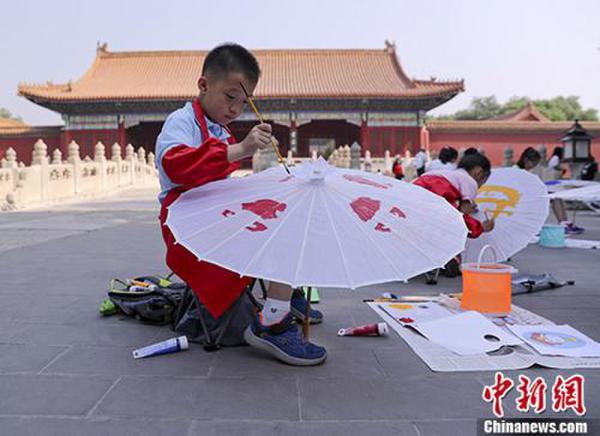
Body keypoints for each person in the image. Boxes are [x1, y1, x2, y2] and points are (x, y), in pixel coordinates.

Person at [155, 43, 326, 366]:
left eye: (243, 102)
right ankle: (273, 320)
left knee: (286, 206)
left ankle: (283, 298)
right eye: (229, 96)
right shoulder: (180, 122)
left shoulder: (218, 129)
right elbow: (175, 165)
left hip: (210, 214)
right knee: (278, 229)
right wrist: (242, 148)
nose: (235, 108)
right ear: (203, 85)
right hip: (185, 224)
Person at [413, 152, 495, 277]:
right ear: (478, 172)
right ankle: (450, 260)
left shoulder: (447, 174)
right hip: (437, 196)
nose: (479, 186)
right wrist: (481, 228)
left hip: (415, 191)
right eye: (482, 182)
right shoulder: (469, 182)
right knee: (454, 226)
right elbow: (460, 216)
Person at [545, 147, 584, 234]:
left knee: (559, 200)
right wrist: (561, 169)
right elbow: (553, 167)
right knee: (557, 199)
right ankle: (562, 221)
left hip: (553, 184)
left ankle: (564, 221)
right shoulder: (556, 158)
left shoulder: (554, 158)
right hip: (552, 184)